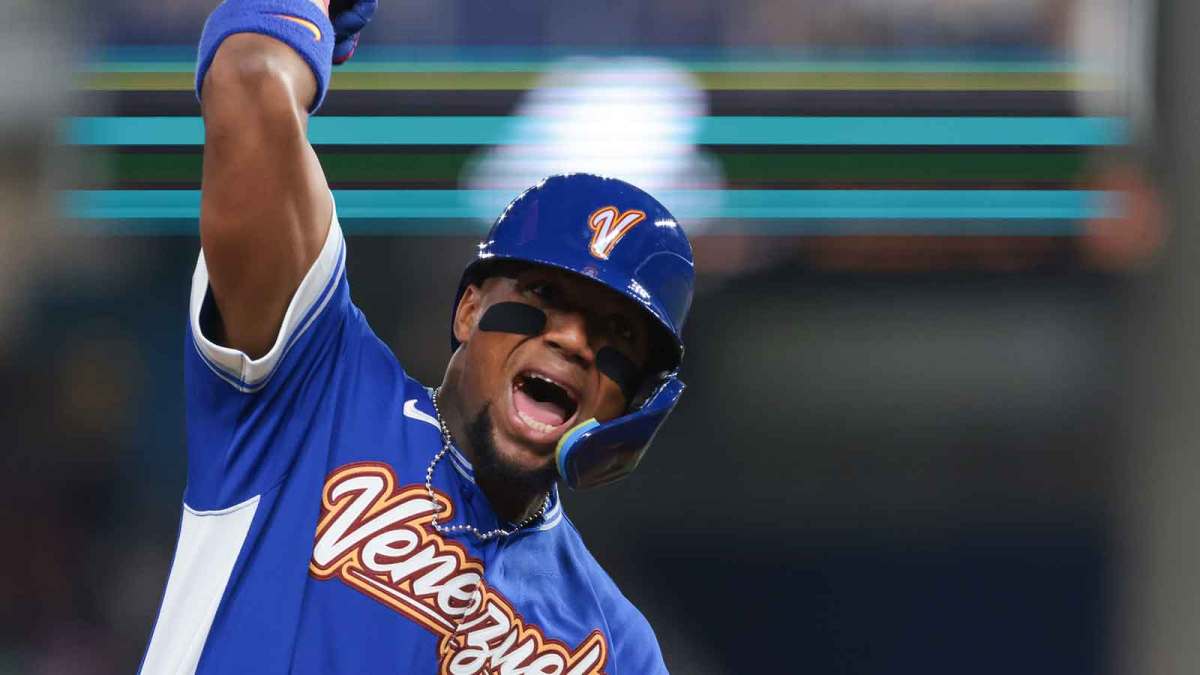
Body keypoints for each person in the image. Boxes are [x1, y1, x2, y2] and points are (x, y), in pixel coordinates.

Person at [138, 1, 695, 673]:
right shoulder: (315, 390)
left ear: (634, 401)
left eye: (616, 332)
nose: (574, 342)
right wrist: (299, 13)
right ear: (468, 310)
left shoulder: (613, 649)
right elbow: (251, 82)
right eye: (544, 297)